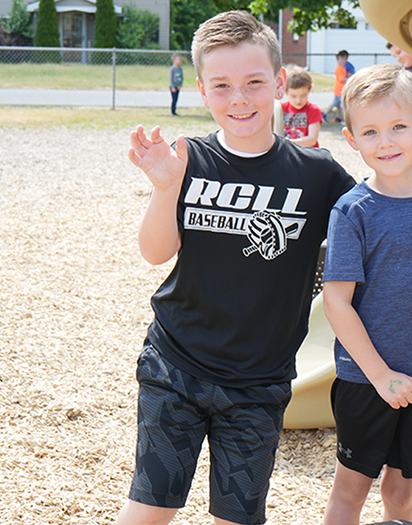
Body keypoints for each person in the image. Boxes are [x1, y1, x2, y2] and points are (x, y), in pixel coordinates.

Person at [120, 10, 355, 525]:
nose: (240, 98)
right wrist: (165, 188)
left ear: (278, 84)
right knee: (147, 511)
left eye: (253, 83)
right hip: (175, 365)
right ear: (202, 90)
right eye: (223, 86)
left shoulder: (317, 174)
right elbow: (155, 252)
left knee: (238, 518)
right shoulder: (188, 159)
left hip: (258, 382)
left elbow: (371, 230)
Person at [321, 63, 412, 525]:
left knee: (401, 491)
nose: (387, 142)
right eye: (371, 132)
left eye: (398, 127)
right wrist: (380, 376)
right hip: (366, 378)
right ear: (352, 139)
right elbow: (336, 300)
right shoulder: (353, 211)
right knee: (351, 491)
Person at [282, 66, 323, 147]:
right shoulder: (281, 109)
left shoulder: (313, 110)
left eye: (303, 95)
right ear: (286, 92)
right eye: (293, 96)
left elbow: (312, 140)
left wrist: (288, 142)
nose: (298, 100)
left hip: (306, 153)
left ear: (309, 91)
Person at [324, 50, 355, 123]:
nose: (343, 61)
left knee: (336, 104)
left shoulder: (343, 67)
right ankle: (344, 120)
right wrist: (350, 77)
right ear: (338, 60)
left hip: (340, 90)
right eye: (341, 59)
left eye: (344, 59)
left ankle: (334, 116)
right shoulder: (339, 68)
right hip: (339, 90)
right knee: (342, 106)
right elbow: (341, 79)